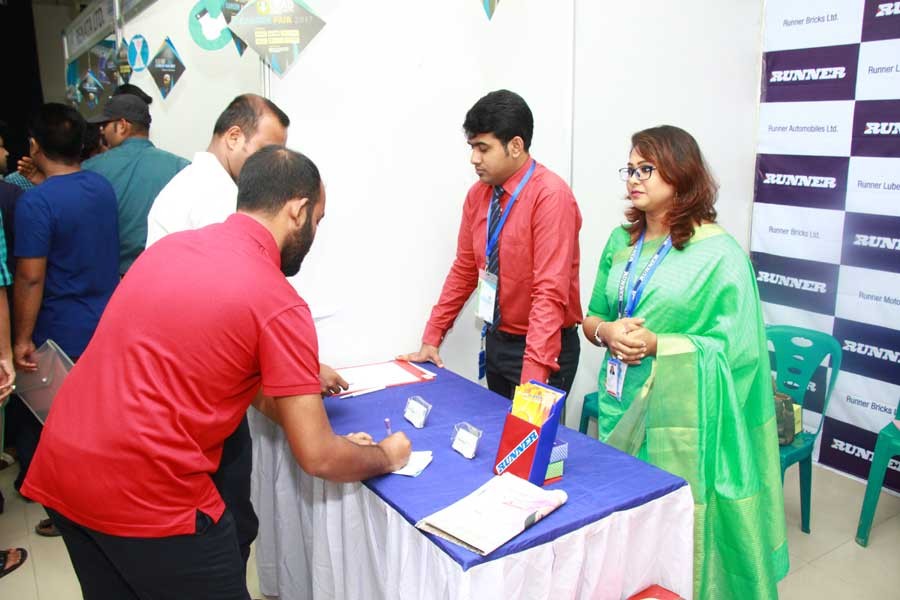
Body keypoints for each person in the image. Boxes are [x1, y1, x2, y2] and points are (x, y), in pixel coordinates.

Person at [20, 146, 411, 600]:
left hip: (64, 468)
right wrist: (385, 456)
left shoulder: (172, 248)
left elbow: (217, 375)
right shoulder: (276, 300)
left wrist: (314, 421)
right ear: (297, 210)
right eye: (318, 221)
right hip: (148, 495)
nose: (314, 234)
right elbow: (318, 458)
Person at [581, 125, 788, 599]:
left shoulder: (719, 254)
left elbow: (739, 352)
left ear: (681, 172)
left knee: (678, 530)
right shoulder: (620, 241)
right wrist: (607, 332)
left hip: (687, 422)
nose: (634, 178)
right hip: (621, 407)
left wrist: (660, 345)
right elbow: (589, 317)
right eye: (630, 169)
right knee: (628, 530)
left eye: (646, 169)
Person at [144, 94, 308, 576]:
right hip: (195, 401)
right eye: (267, 150)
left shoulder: (189, 185)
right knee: (228, 527)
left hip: (185, 390)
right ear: (233, 136)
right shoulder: (219, 200)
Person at [400, 89, 582, 398]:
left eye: (483, 148)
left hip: (543, 347)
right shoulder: (478, 196)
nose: (474, 159)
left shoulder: (550, 197)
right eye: (472, 147)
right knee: (499, 435)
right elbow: (465, 270)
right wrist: (432, 338)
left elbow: (549, 292)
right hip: (498, 341)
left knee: (529, 443)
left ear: (515, 146)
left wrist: (533, 380)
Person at [12, 103, 119, 536]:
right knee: (105, 421)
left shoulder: (34, 204)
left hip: (61, 332)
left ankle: (77, 511)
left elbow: (31, 277)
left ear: (35, 146)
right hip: (107, 323)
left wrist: (20, 338)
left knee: (64, 428)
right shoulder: (101, 186)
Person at [145, 93, 289, 246]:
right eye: (266, 150)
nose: (271, 163)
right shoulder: (215, 194)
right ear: (234, 138)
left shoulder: (193, 181)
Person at [83, 95, 189, 275]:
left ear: (122, 125)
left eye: (105, 125)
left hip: (114, 280)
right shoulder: (182, 167)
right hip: (167, 275)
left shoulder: (90, 169)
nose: (102, 132)